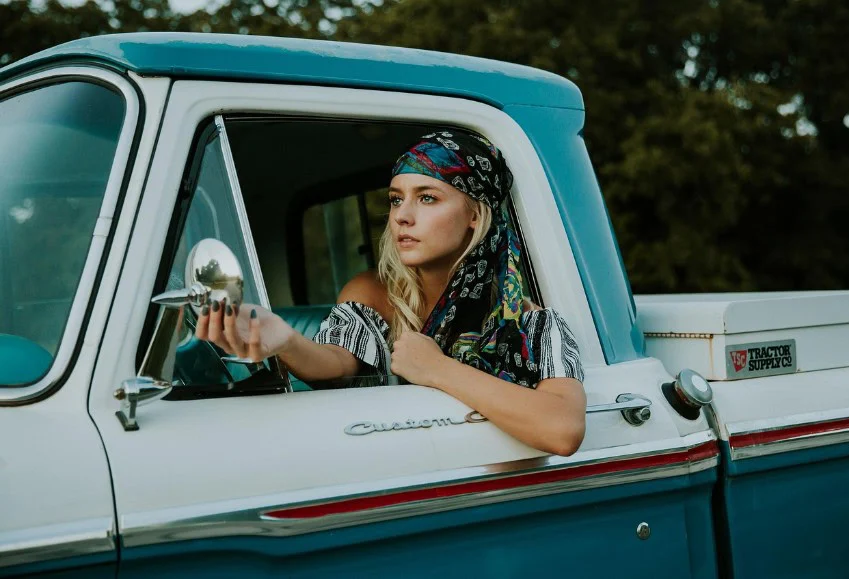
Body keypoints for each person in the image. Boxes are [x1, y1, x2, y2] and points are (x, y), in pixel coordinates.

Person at [196, 129, 587, 456]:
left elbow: (562, 430)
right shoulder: (372, 292)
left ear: (474, 214)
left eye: (427, 197)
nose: (402, 215)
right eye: (397, 198)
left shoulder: (529, 322)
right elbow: (337, 362)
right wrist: (285, 339)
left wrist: (436, 368)